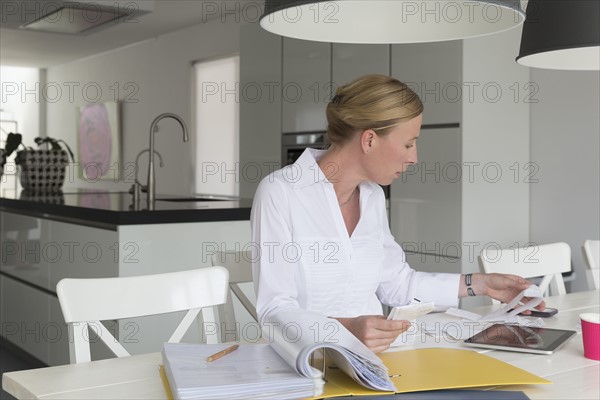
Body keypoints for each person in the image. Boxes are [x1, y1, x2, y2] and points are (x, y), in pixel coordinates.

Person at [251, 74, 544, 353]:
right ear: (369, 140)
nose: (414, 157)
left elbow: (397, 283)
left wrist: (480, 283)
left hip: (380, 363)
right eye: (408, 143)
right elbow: (275, 310)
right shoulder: (280, 192)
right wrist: (344, 330)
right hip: (312, 366)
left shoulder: (373, 196)